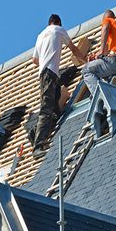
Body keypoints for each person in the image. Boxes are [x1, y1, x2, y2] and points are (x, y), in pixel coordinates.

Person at [32, 14, 86, 158]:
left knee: (55, 105)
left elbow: (34, 60)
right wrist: (85, 60)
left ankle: (50, 125)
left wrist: (44, 61)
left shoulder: (40, 36)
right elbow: (73, 49)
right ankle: (37, 145)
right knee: (46, 108)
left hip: (46, 73)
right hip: (49, 73)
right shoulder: (59, 30)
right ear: (58, 23)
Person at [82, 10, 116, 95]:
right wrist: (96, 56)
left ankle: (99, 95)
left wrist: (100, 51)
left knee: (86, 70)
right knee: (100, 67)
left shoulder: (107, 20)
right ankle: (111, 80)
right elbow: (104, 53)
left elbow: (105, 28)